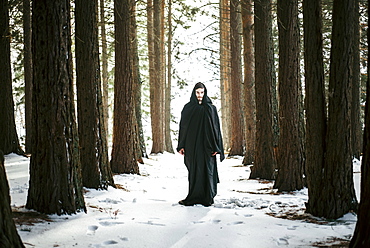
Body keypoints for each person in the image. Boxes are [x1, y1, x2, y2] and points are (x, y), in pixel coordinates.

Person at [177, 82, 225, 207]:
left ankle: (207, 197)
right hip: (192, 146)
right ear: (194, 93)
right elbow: (183, 128)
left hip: (207, 147)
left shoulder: (211, 108)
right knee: (194, 171)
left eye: (202, 92)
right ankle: (193, 197)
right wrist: (181, 145)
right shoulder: (188, 108)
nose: (200, 95)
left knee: (207, 170)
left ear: (205, 92)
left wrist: (216, 147)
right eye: (198, 92)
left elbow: (216, 129)